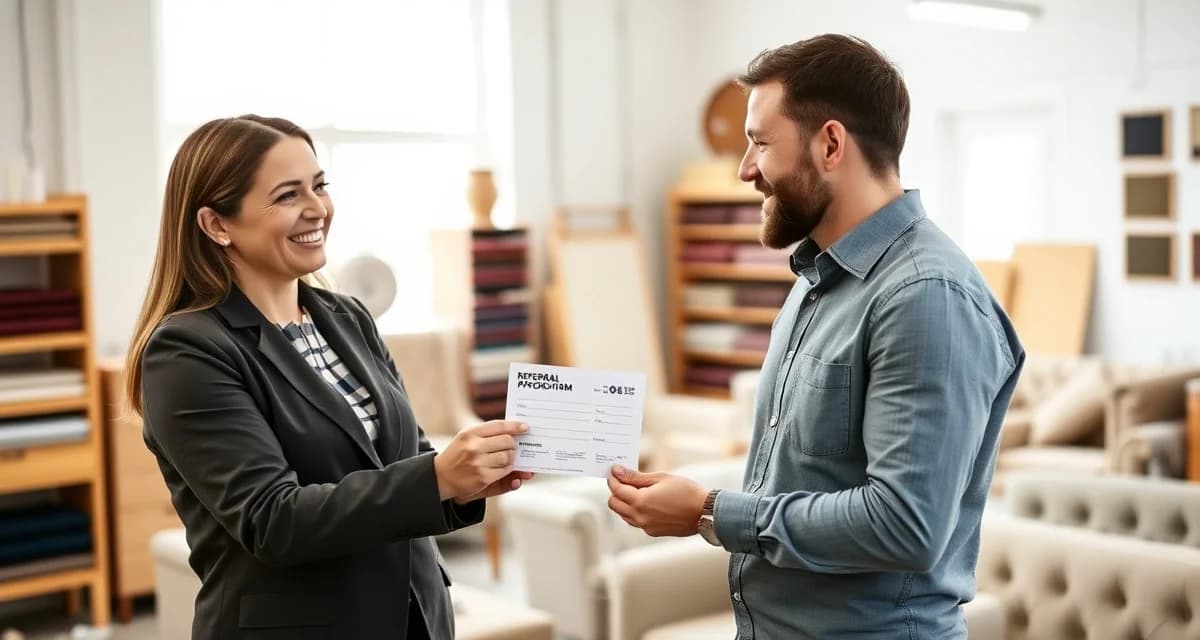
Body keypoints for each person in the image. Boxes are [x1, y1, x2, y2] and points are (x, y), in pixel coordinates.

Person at [606, 34, 1024, 638]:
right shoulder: (815, 278)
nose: (746, 169)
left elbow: (906, 523)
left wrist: (709, 511)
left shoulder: (925, 295)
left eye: (760, 143)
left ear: (830, 144)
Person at [125, 114, 531, 639]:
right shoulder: (188, 352)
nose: (317, 208)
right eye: (288, 195)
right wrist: (438, 478)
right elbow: (273, 519)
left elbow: (398, 461)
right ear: (216, 224)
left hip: (416, 620)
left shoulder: (348, 318)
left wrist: (462, 483)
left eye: (319, 186)